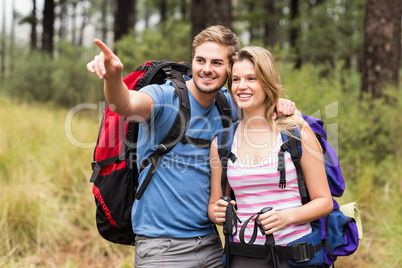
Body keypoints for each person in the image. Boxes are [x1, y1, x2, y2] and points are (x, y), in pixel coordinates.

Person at [87, 26, 295, 268]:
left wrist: (278, 102)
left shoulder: (228, 104)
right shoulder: (165, 97)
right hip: (161, 247)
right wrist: (113, 79)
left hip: (211, 243)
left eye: (217, 62)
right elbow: (125, 103)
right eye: (201, 60)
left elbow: (258, 101)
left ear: (230, 68)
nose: (207, 69)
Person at [208, 46, 333, 268]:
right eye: (235, 79)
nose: (241, 86)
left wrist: (286, 217)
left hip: (295, 255)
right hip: (243, 256)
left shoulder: (297, 133)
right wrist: (217, 212)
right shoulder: (222, 141)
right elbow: (215, 204)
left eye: (251, 78)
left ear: (266, 82)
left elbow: (324, 202)